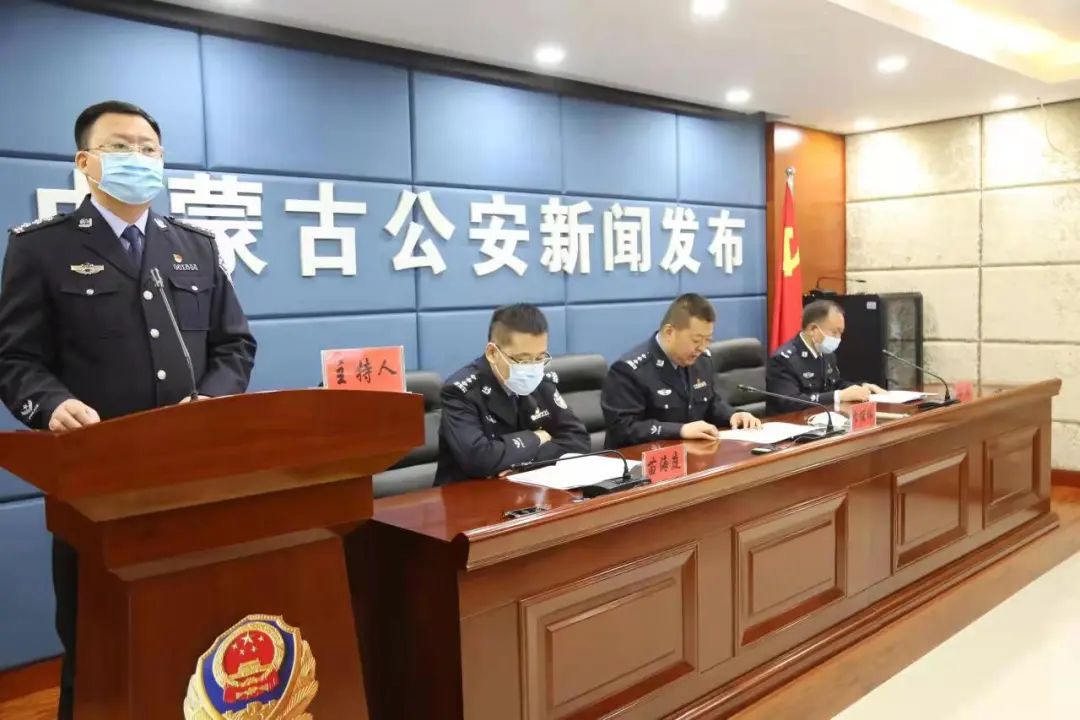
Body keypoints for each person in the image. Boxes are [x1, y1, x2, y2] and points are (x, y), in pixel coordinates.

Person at [0, 100, 256, 720]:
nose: (138, 159)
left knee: (196, 631)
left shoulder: (196, 246)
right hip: (98, 484)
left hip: (193, 478)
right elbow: (15, 358)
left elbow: (235, 345)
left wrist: (212, 400)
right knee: (98, 642)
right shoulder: (42, 248)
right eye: (120, 147)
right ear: (86, 162)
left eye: (149, 149)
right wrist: (52, 404)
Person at [434, 304, 589, 485]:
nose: (533, 367)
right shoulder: (461, 391)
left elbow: (578, 440)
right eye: (522, 360)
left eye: (539, 358)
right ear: (493, 353)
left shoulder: (540, 381)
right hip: (470, 494)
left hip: (528, 488)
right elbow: (479, 459)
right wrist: (536, 437)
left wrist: (525, 464)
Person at [601, 293, 761, 449]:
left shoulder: (702, 360)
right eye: (696, 340)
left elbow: (711, 404)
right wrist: (680, 430)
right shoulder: (629, 370)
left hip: (692, 455)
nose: (702, 348)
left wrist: (733, 415)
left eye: (708, 340)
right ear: (669, 332)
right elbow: (623, 429)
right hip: (640, 461)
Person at [765, 299, 883, 414]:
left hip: (824, 418)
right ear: (813, 330)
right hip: (790, 422)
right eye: (834, 332)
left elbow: (835, 384)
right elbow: (791, 402)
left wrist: (862, 387)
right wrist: (839, 396)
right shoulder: (783, 359)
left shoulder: (826, 353)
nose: (838, 338)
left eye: (841, 333)